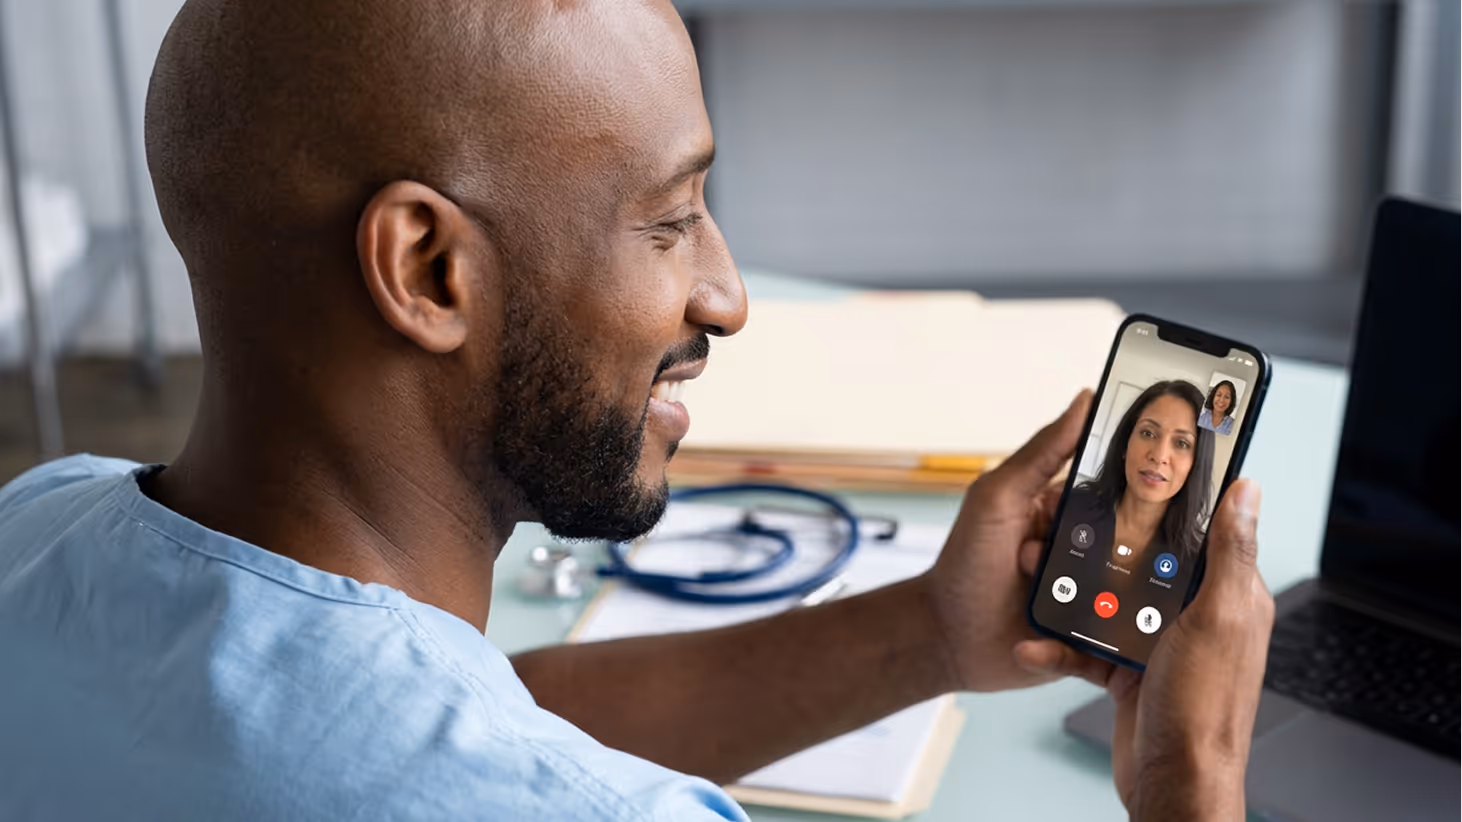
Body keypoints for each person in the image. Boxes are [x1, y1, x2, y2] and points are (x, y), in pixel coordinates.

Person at [0, 1, 1275, 820]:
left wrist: (928, 638)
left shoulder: (37, 535)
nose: (724, 294)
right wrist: (1189, 779)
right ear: (428, 271)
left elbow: (453, 713)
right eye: (668, 220)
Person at [1065, 380, 1216, 581]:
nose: (1159, 455)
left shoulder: (1201, 562)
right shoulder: (1070, 507)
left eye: (1181, 443)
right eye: (1148, 433)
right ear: (1125, 446)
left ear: (1196, 465)